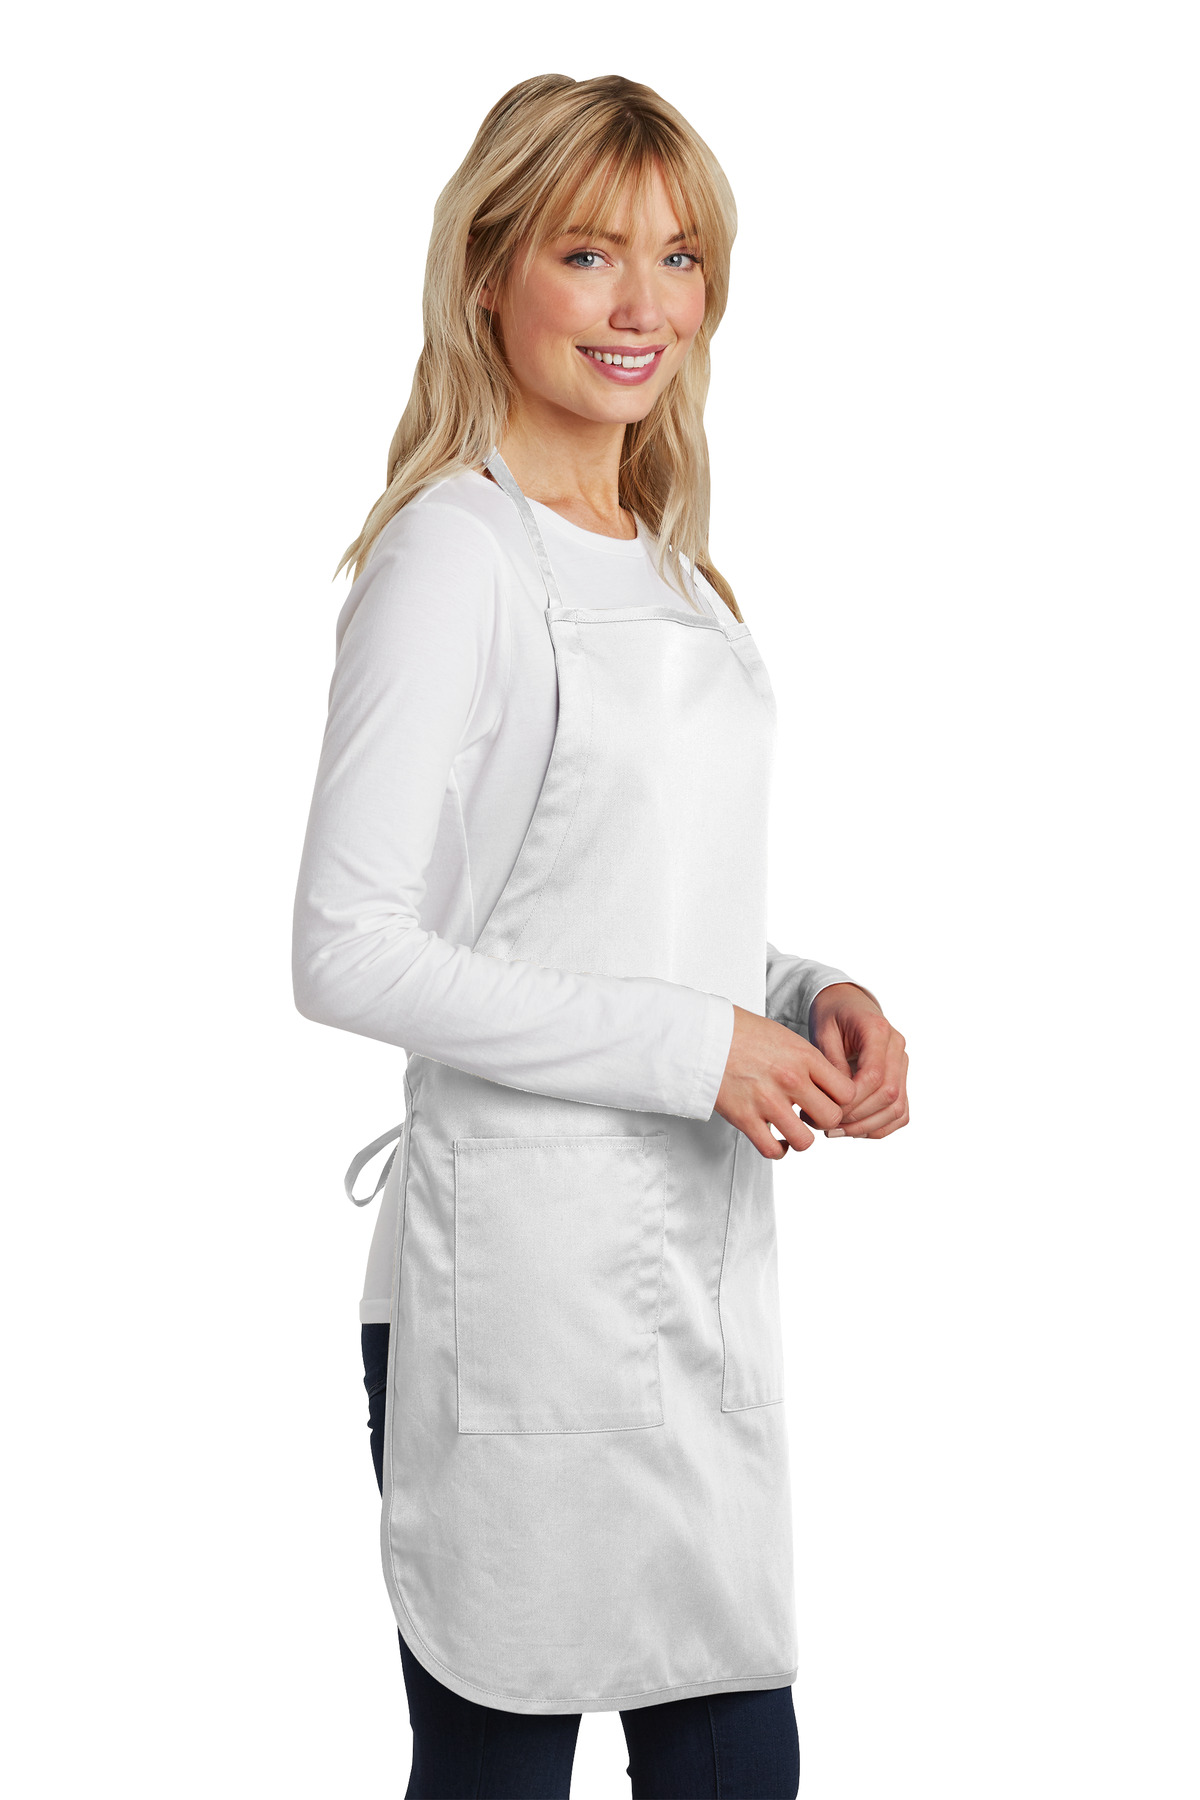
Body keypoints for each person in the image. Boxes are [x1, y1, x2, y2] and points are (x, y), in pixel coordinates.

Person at [293, 71, 909, 1800]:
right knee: (501, 1770)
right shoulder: (455, 557)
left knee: (738, 1763)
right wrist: (700, 1049)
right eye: (589, 253)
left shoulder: (676, 572)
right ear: (490, 270)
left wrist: (810, 996)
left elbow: (627, 905)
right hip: (512, 1300)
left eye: (680, 257)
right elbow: (346, 945)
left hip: (685, 1280)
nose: (645, 306)